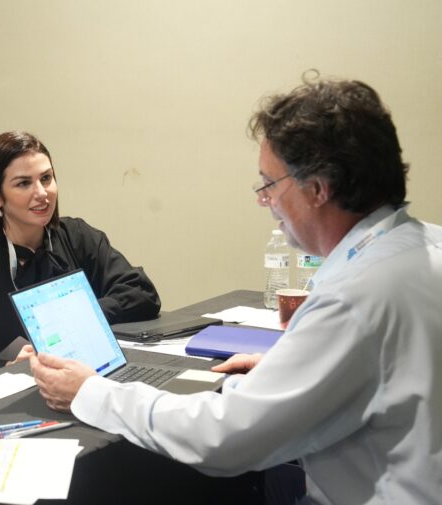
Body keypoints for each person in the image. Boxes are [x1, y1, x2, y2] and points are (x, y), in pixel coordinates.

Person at [30, 75, 442, 504]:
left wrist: (92, 393)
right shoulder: (426, 247)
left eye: (269, 186)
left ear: (318, 189)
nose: (265, 203)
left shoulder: (355, 297)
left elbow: (224, 439)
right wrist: (295, 369)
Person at [0, 131, 161, 387]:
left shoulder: (77, 237)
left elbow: (142, 292)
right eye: (23, 183)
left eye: (46, 178)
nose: (42, 193)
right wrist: (5, 368)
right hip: (1, 397)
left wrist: (82, 317)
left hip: (79, 384)